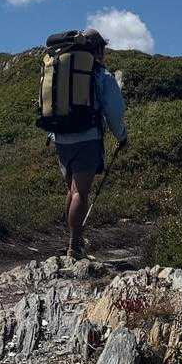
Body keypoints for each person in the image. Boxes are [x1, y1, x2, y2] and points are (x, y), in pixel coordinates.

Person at [51, 31, 127, 259]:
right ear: (99, 49)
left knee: (71, 190)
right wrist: (121, 136)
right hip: (87, 138)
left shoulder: (61, 68)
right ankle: (75, 246)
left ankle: (71, 240)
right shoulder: (102, 75)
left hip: (61, 138)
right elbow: (114, 112)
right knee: (80, 193)